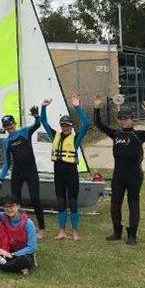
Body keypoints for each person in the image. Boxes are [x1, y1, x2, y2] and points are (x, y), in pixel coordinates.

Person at [93, 97, 145, 246]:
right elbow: (98, 124)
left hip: (134, 176)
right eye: (121, 118)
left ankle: (132, 235)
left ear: (132, 119)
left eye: (126, 118)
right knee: (115, 205)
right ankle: (117, 232)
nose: (123, 121)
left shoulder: (138, 135)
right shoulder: (116, 135)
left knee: (133, 204)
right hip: (118, 176)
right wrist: (97, 108)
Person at [39, 95, 89, 241]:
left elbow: (86, 124)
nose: (65, 127)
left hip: (71, 172)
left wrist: (77, 107)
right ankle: (61, 231)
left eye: (68, 125)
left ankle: (74, 232)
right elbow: (43, 121)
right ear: (60, 126)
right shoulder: (54, 135)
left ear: (71, 127)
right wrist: (44, 107)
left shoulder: (76, 138)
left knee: (72, 202)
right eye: (63, 125)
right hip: (58, 171)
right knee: (61, 201)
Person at [0, 105, 46, 238]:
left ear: (14, 124)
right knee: (14, 201)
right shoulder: (6, 142)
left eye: (10, 124)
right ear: (4, 128)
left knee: (35, 198)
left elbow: (37, 124)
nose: (9, 127)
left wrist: (36, 116)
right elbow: (7, 163)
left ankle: (42, 228)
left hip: (31, 171)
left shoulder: (24, 132)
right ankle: (17, 226)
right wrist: (0, 179)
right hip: (17, 172)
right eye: (6, 125)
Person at [0, 196, 37, 275]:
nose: (8, 209)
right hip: (6, 250)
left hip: (22, 254)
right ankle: (17, 267)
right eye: (6, 207)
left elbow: (32, 248)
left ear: (18, 206)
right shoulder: (2, 216)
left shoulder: (28, 223)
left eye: (11, 206)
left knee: (25, 261)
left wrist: (12, 254)